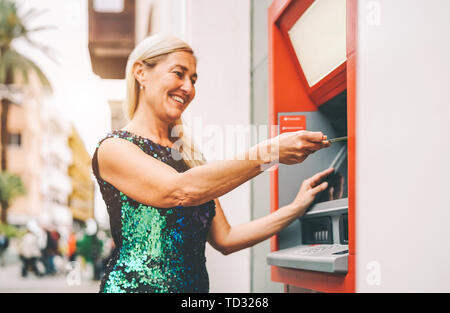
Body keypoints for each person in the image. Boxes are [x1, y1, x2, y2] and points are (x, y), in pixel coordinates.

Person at [92, 34, 333, 293]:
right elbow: (178, 191)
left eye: (193, 80)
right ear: (141, 73)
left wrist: (296, 208)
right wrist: (270, 152)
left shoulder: (189, 156)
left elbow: (226, 239)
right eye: (179, 73)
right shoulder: (114, 148)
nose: (188, 88)